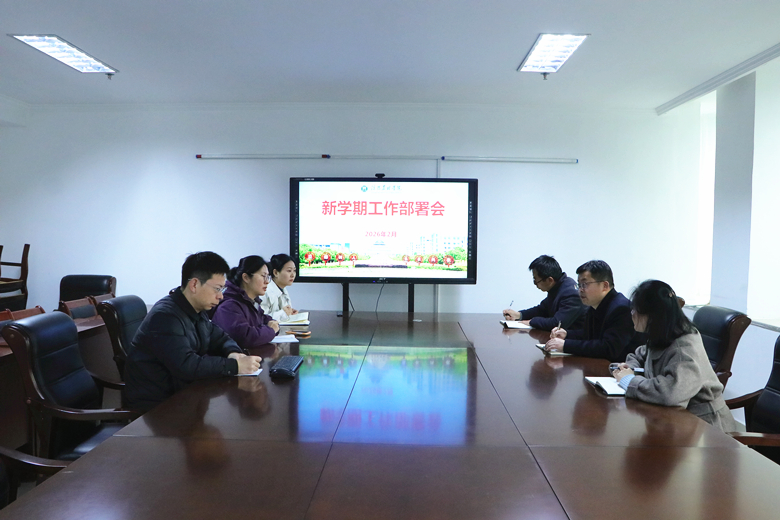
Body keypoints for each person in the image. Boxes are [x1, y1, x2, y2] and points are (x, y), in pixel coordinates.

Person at [124, 252, 262, 412]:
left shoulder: (197, 309)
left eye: (222, 289)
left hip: (184, 397)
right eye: (217, 289)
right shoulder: (165, 317)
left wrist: (233, 353)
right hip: (158, 409)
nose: (221, 296)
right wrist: (235, 365)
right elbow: (187, 365)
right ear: (194, 284)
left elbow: (220, 337)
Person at [611, 280, 737, 432]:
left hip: (706, 428)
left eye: (635, 310)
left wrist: (629, 381)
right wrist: (629, 368)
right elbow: (641, 354)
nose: (632, 314)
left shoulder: (683, 346)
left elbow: (670, 393)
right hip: (675, 420)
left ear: (652, 315)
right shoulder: (663, 333)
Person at [544, 260, 643, 362]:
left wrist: (566, 345)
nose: (580, 289)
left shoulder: (621, 309)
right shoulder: (594, 305)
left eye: (584, 284)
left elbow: (608, 348)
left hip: (620, 367)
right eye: (579, 285)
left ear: (605, 286)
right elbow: (588, 335)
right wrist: (566, 334)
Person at [211, 255, 280, 349]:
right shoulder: (229, 305)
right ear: (246, 277)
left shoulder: (251, 301)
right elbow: (245, 337)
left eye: (268, 277)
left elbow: (264, 319)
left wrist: (273, 325)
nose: (267, 281)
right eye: (263, 276)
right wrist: (271, 330)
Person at [502, 255, 586, 330]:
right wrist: (519, 315)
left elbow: (557, 323)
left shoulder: (571, 294)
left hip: (576, 339)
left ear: (549, 280)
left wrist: (531, 322)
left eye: (536, 281)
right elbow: (542, 309)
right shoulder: (557, 287)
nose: (535, 284)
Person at [261, 253, 299, 322]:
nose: (293, 275)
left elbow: (283, 310)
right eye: (289, 271)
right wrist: (283, 313)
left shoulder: (283, 289)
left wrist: (290, 313)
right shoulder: (265, 290)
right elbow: (262, 318)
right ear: (275, 272)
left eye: (294, 271)